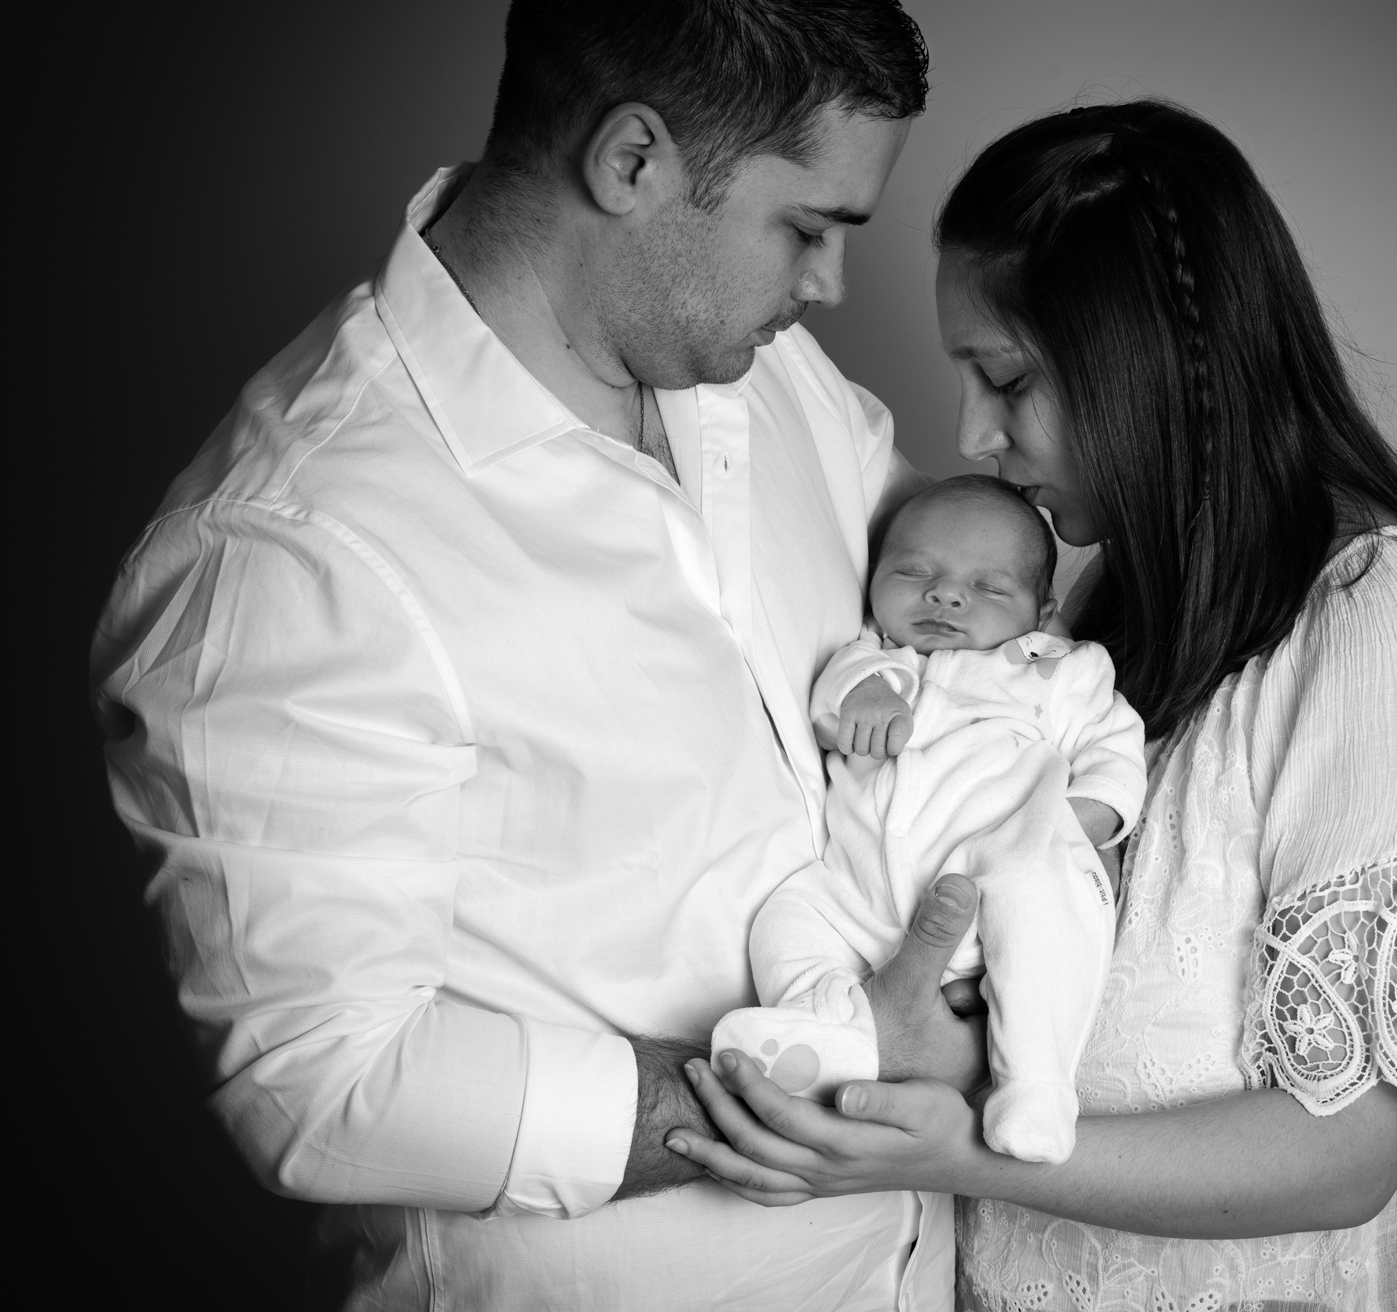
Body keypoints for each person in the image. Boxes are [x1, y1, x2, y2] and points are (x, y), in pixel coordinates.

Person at [90, 3, 990, 1308]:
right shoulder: (289, 550)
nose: (829, 287)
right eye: (807, 228)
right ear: (631, 164)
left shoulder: (757, 377)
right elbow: (326, 1086)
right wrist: (827, 1064)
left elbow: (956, 625)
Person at [672, 99, 1397, 1311]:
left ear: (1142, 360)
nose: (971, 435)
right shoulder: (1099, 612)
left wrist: (962, 1147)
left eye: (1007, 378)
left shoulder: (1391, 626)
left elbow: (1343, 1152)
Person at [712, 475, 1146, 1164]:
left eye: (990, 586)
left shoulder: (1062, 673)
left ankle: (1034, 1085)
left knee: (1047, 915)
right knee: (787, 914)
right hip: (854, 899)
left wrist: (1066, 827)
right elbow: (835, 706)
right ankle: (825, 1024)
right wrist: (869, 698)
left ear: (1042, 609)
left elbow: (1114, 751)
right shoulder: (873, 660)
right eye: (913, 572)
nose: (944, 595)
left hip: (988, 890)